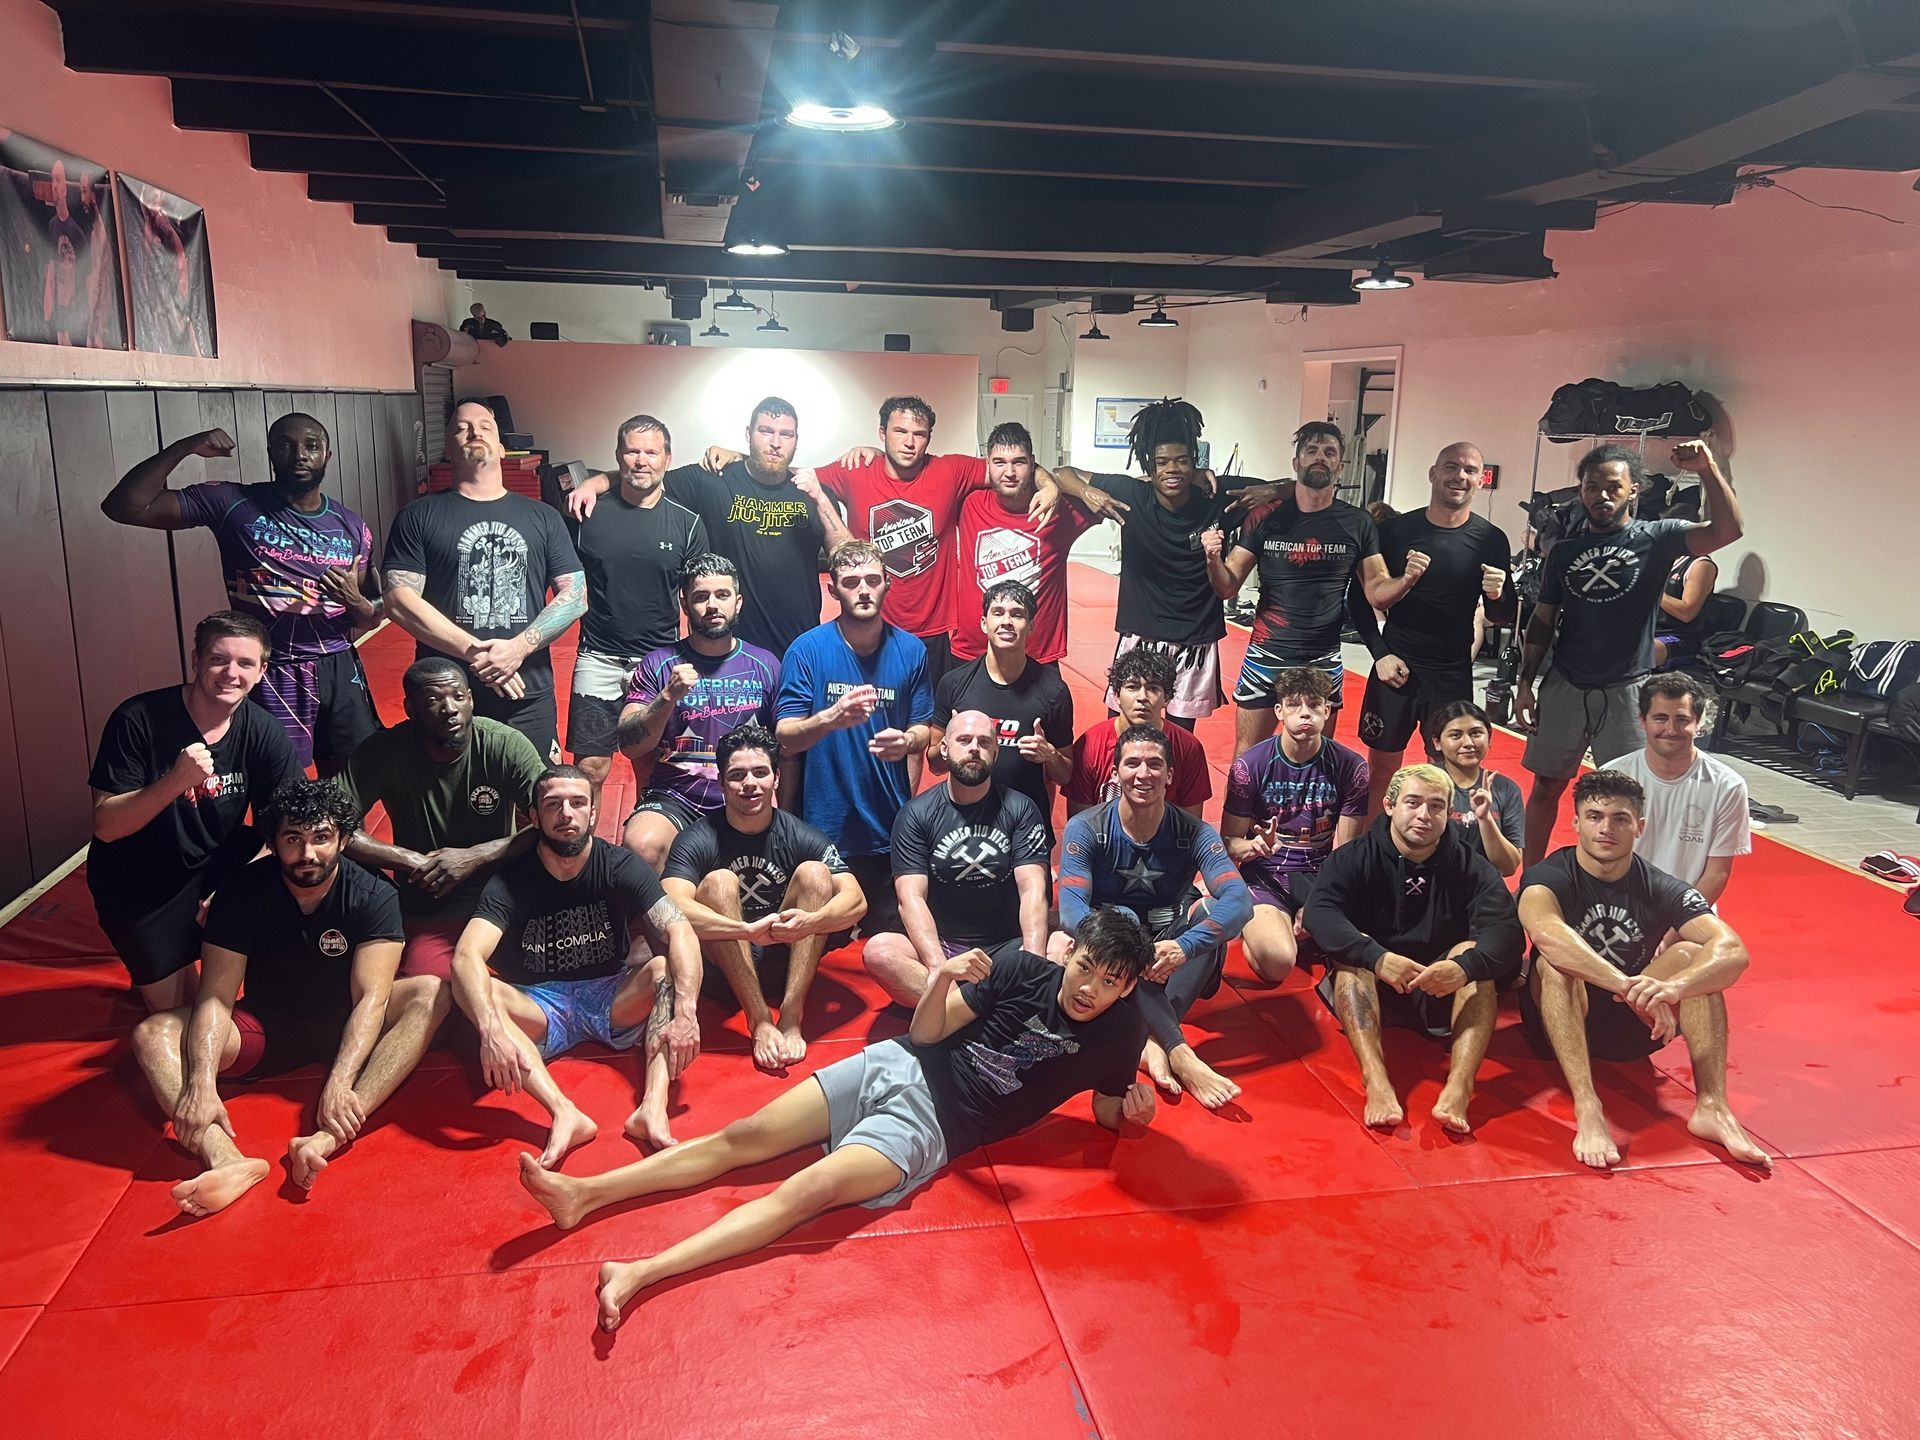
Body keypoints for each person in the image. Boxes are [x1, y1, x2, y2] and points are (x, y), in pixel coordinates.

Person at [517, 908, 1158, 1332]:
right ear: (1068, 955)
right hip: (900, 1063)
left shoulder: (1122, 1033)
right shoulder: (1021, 968)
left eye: (1108, 982)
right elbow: (929, 1032)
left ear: (1127, 988)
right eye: (1084, 969)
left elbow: (1105, 1108)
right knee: (742, 1137)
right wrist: (941, 978)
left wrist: (1131, 1114)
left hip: (937, 1127)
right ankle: (583, 1194)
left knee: (807, 1190)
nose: (1087, 989)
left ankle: (638, 1271)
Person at [127, 781, 438, 1216]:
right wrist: (200, 1083)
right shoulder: (241, 891)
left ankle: (326, 1138)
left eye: (321, 837)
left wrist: (341, 1081)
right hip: (266, 1030)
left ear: (344, 841)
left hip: (346, 1023)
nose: (308, 853)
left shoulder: (375, 894)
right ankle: (225, 1158)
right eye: (294, 838)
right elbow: (216, 995)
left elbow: (371, 999)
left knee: (429, 992)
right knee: (152, 1033)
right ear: (273, 844)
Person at [100, 416, 384, 773]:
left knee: (349, 780)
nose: (299, 454)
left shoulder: (352, 525)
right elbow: (124, 507)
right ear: (270, 454)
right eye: (285, 445)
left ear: (327, 455)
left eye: (311, 446)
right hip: (269, 667)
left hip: (338, 665)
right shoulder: (233, 502)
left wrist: (358, 602)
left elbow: (372, 614)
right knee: (277, 784)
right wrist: (185, 447)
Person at [1518, 769, 1768, 1169]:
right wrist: (1629, 986)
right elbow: (1547, 934)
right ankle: (1588, 1107)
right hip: (1561, 1021)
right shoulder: (1548, 876)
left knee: (1692, 955)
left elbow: (1733, 950)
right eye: (1596, 816)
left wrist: (1672, 989)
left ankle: (1712, 1107)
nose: (1606, 828)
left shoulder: (1660, 885)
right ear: (1576, 822)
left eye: (1620, 819)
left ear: (1640, 827)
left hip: (1636, 1024)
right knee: (1554, 965)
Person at [1515, 439, 1744, 870]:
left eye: (1613, 487)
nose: (1601, 495)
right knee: (1546, 786)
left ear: (1633, 489)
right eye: (1591, 486)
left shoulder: (1657, 538)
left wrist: (1708, 470)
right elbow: (1543, 620)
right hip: (1566, 681)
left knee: (1625, 795)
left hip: (1627, 687)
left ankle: (1625, 880)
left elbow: (1727, 531)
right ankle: (1532, 878)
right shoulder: (1563, 551)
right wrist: (1525, 684)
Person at [450, 766, 702, 1157]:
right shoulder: (510, 879)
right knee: (474, 987)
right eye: (553, 805)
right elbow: (467, 954)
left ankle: (653, 1106)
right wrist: (490, 1030)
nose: (566, 813)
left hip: (610, 994)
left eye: (577, 803)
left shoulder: (620, 866)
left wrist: (686, 1011)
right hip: (539, 1003)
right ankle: (563, 1111)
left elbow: (680, 931)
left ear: (594, 811)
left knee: (664, 970)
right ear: (534, 818)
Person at [88, 611, 300, 1011]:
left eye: (245, 663)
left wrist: (237, 890)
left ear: (261, 671)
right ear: (197, 660)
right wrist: (175, 781)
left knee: (291, 862)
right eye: (219, 659)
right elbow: (106, 826)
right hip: (140, 877)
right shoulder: (138, 719)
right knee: (178, 1014)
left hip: (216, 862)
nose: (230, 673)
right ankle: (161, 963)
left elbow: (288, 826)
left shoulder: (262, 730)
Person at [1304, 764, 1523, 1134]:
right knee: (1350, 961)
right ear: (1389, 805)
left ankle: (1460, 1084)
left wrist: (1463, 968)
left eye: (1436, 806)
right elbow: (1319, 914)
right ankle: (1375, 1077)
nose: (1424, 815)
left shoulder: (1470, 866)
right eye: (1413, 803)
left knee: (1475, 958)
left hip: (1441, 988)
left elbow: (1508, 934)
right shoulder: (1355, 857)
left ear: (1448, 813)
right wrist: (1377, 957)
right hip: (1377, 984)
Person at [1057, 726, 1253, 1109]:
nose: (1143, 774)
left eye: (1154, 764)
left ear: (1170, 776)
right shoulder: (1087, 828)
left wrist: (1183, 946)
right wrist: (1128, 951)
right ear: (1115, 774)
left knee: (1211, 909)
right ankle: (1178, 1049)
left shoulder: (1193, 832)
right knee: (1122, 918)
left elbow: (1240, 901)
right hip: (1114, 957)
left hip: (1171, 954)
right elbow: (1070, 912)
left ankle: (1147, 1032)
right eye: (1132, 763)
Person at [804, 396, 1058, 690]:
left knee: (927, 720)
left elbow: (1010, 469)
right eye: (900, 432)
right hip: (870, 618)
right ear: (882, 433)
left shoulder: (949, 471)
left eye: (919, 434)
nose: (909, 442)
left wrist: (1049, 482)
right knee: (866, 712)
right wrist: (739, 459)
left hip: (933, 629)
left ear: (929, 438)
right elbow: (798, 476)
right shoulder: (856, 470)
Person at [383, 400, 585, 761]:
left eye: (485, 426)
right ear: (447, 448)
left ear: (502, 447)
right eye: (462, 427)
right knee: (446, 802)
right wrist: (479, 653)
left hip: (526, 690)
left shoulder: (543, 517)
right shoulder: (418, 515)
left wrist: (518, 648)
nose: (475, 431)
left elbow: (576, 595)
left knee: (537, 798)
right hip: (444, 692)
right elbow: (399, 599)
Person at [569, 397, 842, 660]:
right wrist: (595, 483)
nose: (775, 443)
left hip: (798, 645)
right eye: (765, 431)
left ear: (796, 440)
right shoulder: (711, 479)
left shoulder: (814, 493)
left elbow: (843, 555)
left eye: (786, 434)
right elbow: (646, 474)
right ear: (749, 434)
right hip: (727, 646)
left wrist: (821, 499)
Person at [662, 725, 867, 1070]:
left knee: (816, 874)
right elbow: (670, 905)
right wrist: (744, 930)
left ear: (776, 778)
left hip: (783, 962)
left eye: (760, 773)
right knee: (719, 882)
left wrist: (812, 921)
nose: (749, 784)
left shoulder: (800, 834)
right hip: (724, 971)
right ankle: (758, 1020)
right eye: (737, 775)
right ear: (722, 783)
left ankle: (791, 1013)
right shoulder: (697, 837)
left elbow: (857, 901)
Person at [1206, 422, 1411, 757]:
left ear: (1340, 466)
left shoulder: (1358, 522)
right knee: (1248, 757)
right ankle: (1243, 812)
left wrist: (1407, 580)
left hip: (1322, 658)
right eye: (1311, 451)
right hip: (1267, 653)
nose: (1320, 458)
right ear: (1296, 463)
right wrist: (1213, 560)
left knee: (1316, 757)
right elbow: (1228, 587)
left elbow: (1375, 590)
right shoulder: (1264, 518)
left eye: (1329, 452)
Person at [335, 658, 546, 982]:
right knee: (431, 991)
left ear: (471, 699)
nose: (450, 709)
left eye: (458, 697)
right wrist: (412, 861)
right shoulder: (384, 751)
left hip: (501, 895)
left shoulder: (503, 744)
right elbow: (331, 825)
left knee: (536, 983)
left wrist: (476, 856)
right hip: (430, 902)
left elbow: (553, 820)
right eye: (433, 701)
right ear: (411, 708)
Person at [774, 541, 934, 936]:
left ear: (887, 585)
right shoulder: (807, 650)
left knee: (895, 945)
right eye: (851, 582)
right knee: (805, 950)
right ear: (833, 590)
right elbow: (785, 737)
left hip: (886, 827)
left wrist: (908, 742)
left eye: (872, 580)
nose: (863, 590)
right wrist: (829, 719)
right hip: (823, 828)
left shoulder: (911, 651)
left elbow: (923, 728)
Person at [1349, 443, 1513, 811]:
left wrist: (1498, 596)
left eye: (1471, 470)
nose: (1461, 476)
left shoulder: (1490, 539)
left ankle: (1440, 852)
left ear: (1480, 481)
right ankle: (1378, 850)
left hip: (1451, 671)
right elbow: (1358, 600)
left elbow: (1503, 617)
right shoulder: (1395, 532)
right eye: (1452, 467)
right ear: (1433, 473)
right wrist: (1380, 654)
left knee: (1452, 769)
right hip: (1397, 666)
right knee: (1383, 769)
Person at [1051, 400, 1226, 729]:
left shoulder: (1214, 494)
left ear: (1195, 462)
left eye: (1182, 461)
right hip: (1141, 633)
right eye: (1162, 462)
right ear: (1150, 466)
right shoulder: (1132, 494)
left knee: (1178, 738)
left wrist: (1274, 488)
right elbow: (1061, 474)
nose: (1172, 470)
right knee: (1119, 730)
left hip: (1195, 637)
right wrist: (1089, 492)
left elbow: (1294, 489)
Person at [565, 414, 708, 813]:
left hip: (659, 661)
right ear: (618, 456)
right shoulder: (585, 515)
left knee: (653, 766)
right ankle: (587, 861)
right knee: (590, 768)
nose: (641, 460)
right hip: (597, 659)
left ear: (667, 459)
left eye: (651, 452)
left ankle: (648, 858)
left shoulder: (687, 524)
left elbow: (697, 599)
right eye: (632, 451)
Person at [863, 710, 1053, 1006]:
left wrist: (1031, 962)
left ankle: (951, 1013)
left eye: (984, 742)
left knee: (1062, 948)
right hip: (942, 946)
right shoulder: (916, 814)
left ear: (996, 752)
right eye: (964, 740)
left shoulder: (1021, 809)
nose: (974, 748)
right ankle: (976, 1010)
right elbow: (910, 898)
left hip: (1004, 947)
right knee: (880, 951)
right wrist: (939, 968)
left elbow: (1033, 890)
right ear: (945, 748)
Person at [616, 553, 780, 868]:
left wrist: (785, 812)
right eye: (701, 597)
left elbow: (784, 749)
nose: (713, 605)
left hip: (747, 796)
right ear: (685, 603)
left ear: (738, 602)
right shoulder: (659, 663)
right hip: (674, 797)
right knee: (642, 845)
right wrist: (668, 696)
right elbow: (629, 743)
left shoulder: (766, 664)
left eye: (722, 595)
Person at [1221, 667, 1370, 983]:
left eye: (1315, 705)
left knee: (1375, 941)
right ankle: (1257, 927)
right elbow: (1229, 841)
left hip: (1320, 876)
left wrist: (1322, 902)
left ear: (1327, 711)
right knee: (1278, 964)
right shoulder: (1249, 767)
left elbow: (1345, 851)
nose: (1305, 715)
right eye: (1294, 705)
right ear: (1279, 711)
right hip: (1266, 876)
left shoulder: (1351, 766)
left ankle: (1307, 925)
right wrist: (1253, 846)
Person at [929, 580, 1074, 840]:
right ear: (984, 623)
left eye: (1017, 614)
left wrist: (1049, 755)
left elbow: (1065, 775)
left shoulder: (1054, 691)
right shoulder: (954, 684)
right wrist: (950, 746)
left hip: (1025, 825)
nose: (1007, 621)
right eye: (998, 612)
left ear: (1030, 627)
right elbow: (935, 764)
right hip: (962, 824)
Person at [947, 421, 1098, 667]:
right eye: (999, 462)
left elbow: (1132, 493)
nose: (1009, 472)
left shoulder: (1059, 511)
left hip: (1036, 656)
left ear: (1032, 463)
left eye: (1019, 462)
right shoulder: (968, 503)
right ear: (987, 464)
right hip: (972, 653)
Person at [1600, 673, 1749, 901]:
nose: (1671, 729)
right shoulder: (1612, 776)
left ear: (1698, 722)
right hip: (1619, 907)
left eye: (1682, 719)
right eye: (1660, 718)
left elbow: (1717, 874)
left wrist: (1672, 932)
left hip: (1687, 914)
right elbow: (1599, 857)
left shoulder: (1728, 786)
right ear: (1642, 720)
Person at [1064, 647, 1211, 819]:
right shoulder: (1090, 745)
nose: (1142, 697)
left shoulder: (1188, 747)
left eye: (1153, 688)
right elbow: (1079, 824)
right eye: (1132, 687)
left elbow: (1190, 825)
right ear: (1117, 696)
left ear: (1167, 699)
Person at [1427, 701, 1525, 878]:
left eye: (1476, 733)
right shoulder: (1423, 784)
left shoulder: (1507, 790)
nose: (1468, 743)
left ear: (1489, 738)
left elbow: (1508, 867)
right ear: (1437, 742)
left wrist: (1485, 818)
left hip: (1483, 891)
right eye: (1455, 735)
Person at [1654, 549, 1720, 668]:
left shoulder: (1701, 565)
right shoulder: (1660, 560)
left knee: (1636, 654)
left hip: (1681, 637)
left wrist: (1652, 591)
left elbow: (1687, 613)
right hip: (1651, 631)